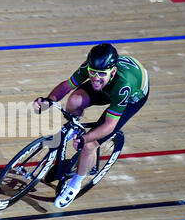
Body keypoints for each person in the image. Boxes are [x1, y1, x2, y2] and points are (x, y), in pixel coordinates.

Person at [33, 43, 149, 208]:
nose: (95, 77)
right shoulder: (92, 68)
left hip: (131, 98)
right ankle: (74, 129)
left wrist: (85, 138)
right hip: (108, 87)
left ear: (113, 71)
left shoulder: (124, 86)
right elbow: (67, 86)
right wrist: (49, 100)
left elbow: (109, 125)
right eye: (92, 72)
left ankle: (75, 184)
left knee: (89, 145)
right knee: (74, 101)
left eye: (101, 73)